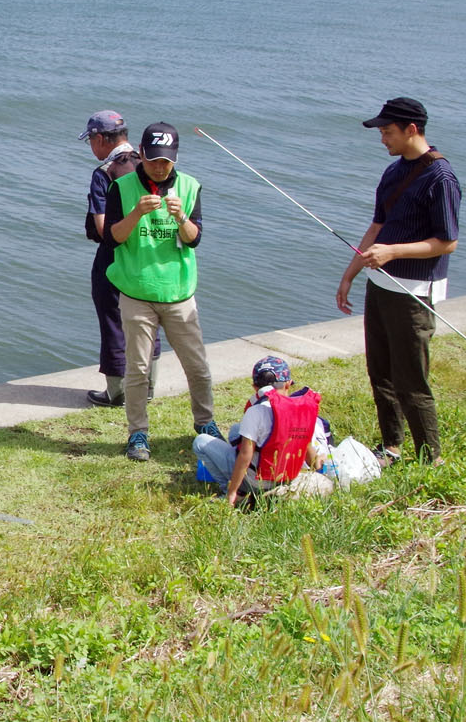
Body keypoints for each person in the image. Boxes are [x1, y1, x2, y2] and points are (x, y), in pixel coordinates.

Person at [335, 96, 460, 466]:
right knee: (381, 373)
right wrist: (350, 274)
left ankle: (429, 458)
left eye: (387, 132)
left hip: (414, 292)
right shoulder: (392, 172)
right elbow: (377, 226)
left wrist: (393, 252)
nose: (382, 139)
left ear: (411, 130)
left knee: (411, 380)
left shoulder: (441, 178)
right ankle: (392, 447)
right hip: (381, 287)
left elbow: (447, 242)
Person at [102, 122, 219, 461]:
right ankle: (137, 433)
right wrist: (137, 212)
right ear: (141, 154)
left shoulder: (190, 186)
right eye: (153, 160)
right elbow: (112, 238)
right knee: (137, 369)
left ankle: (205, 422)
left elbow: (195, 238)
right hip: (136, 293)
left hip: (179, 294)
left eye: (165, 161)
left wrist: (182, 218)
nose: (159, 166)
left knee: (197, 366)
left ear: (175, 159)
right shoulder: (121, 187)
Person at [79, 110, 160, 408]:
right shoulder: (151, 166)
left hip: (114, 260)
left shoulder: (105, 173)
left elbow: (102, 228)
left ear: (100, 139)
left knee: (114, 321)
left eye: (91, 140)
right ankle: (149, 387)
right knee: (149, 320)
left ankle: (117, 393)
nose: (91, 146)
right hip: (150, 256)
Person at [193, 356, 325, 506]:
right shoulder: (300, 412)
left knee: (201, 441)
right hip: (287, 479)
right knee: (236, 430)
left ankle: (236, 494)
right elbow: (309, 454)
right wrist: (318, 464)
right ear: (288, 384)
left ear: (255, 388)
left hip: (257, 483)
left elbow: (245, 456)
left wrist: (232, 491)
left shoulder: (256, 412)